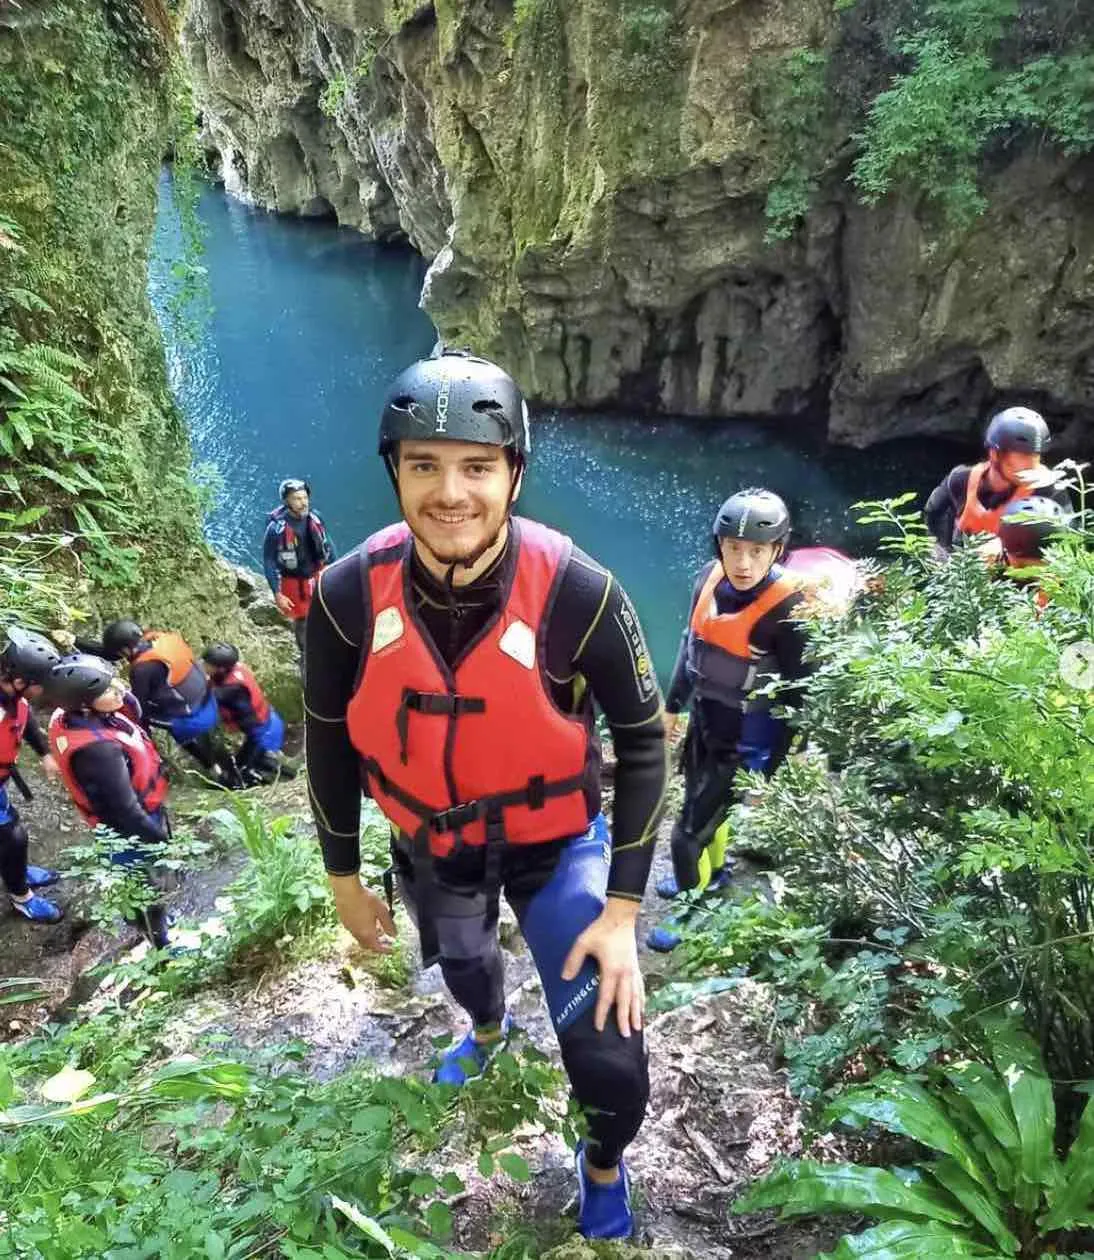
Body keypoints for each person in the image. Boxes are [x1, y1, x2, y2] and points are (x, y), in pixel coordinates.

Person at [304, 349, 667, 1240]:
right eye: (423, 465)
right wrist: (344, 878)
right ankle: (492, 1026)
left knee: (611, 1061)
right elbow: (324, 733)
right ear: (394, 472)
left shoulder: (578, 592)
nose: (450, 493)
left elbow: (646, 738)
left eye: (476, 465)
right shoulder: (347, 594)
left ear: (513, 473)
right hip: (435, 843)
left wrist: (622, 912)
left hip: (558, 849)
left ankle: (602, 1162)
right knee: (465, 969)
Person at [650, 489, 812, 952]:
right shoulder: (707, 578)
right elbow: (691, 645)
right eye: (734, 548)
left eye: (757, 551)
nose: (743, 562)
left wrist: (775, 770)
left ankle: (693, 909)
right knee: (704, 813)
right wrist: (674, 705)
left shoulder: (788, 608)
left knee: (683, 838)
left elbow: (799, 691)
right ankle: (715, 876)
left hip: (746, 738)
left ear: (777, 550)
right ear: (718, 546)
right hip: (706, 721)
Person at [46, 654, 174, 948]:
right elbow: (124, 812)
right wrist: (161, 842)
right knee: (148, 885)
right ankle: (161, 945)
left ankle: (148, 925)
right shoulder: (98, 752)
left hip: (127, 818)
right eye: (106, 689)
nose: (119, 690)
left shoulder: (69, 716)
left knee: (136, 881)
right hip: (130, 826)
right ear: (83, 703)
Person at [98, 619, 238, 786]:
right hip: (208, 701)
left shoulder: (142, 669)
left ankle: (214, 770)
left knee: (151, 721)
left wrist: (142, 736)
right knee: (214, 744)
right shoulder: (162, 639)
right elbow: (110, 653)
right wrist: (75, 641)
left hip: (191, 720)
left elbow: (139, 709)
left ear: (125, 650)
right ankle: (231, 770)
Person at [924, 407, 1071, 552]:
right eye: (1022, 456)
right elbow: (933, 517)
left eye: (1035, 456)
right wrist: (943, 558)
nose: (1031, 465)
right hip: (965, 570)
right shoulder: (961, 480)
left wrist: (1004, 548)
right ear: (995, 454)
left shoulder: (1049, 490)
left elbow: (1067, 546)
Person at [0, 628, 64, 924]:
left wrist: (45, 754)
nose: (46, 692)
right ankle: (21, 897)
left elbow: (24, 722)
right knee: (13, 837)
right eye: (42, 685)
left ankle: (16, 869)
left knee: (11, 837)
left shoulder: (14, 696)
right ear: (20, 680)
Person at [201, 642, 292, 784]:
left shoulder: (231, 689)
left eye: (208, 664)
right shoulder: (235, 669)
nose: (204, 666)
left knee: (243, 775)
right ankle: (286, 774)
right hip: (267, 724)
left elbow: (202, 698)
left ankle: (277, 782)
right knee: (244, 764)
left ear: (221, 669)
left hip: (264, 734)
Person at [263, 478, 335, 656]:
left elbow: (329, 544)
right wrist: (277, 593)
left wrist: (335, 569)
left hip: (319, 573)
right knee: (302, 622)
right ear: (287, 501)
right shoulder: (276, 529)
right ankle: (306, 657)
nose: (303, 503)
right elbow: (269, 561)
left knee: (326, 613)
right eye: (297, 499)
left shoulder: (316, 518)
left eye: (305, 498)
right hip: (294, 582)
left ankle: (328, 648)